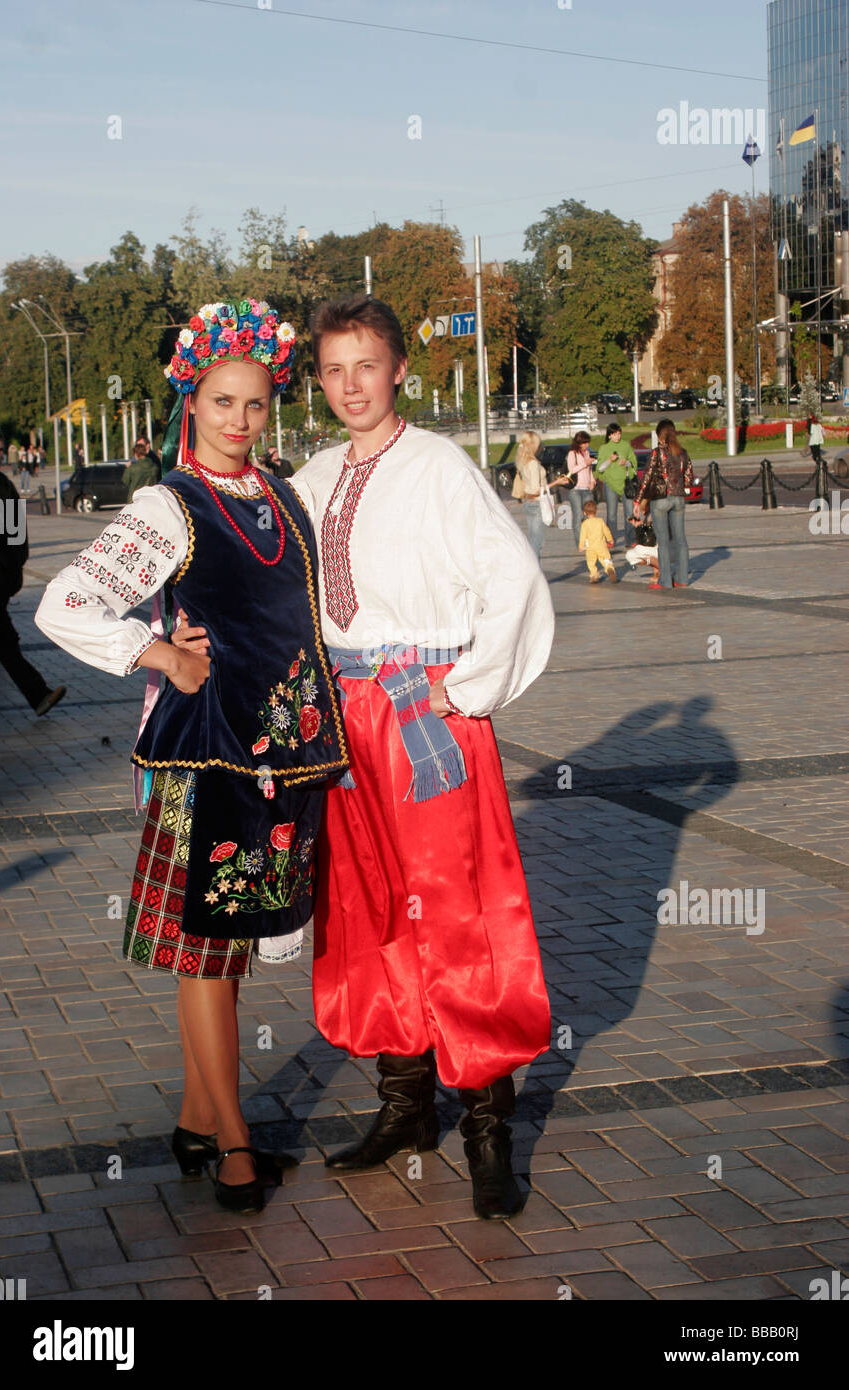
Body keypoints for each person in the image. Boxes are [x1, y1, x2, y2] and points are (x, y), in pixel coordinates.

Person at [35, 299, 349, 1214]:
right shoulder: (167, 507)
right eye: (222, 403)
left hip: (279, 754)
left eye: (255, 405)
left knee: (227, 946)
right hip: (204, 757)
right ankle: (238, 1143)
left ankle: (193, 1116)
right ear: (191, 401)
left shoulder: (283, 494)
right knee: (208, 951)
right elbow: (65, 604)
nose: (241, 422)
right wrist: (161, 653)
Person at [284, 295, 554, 1221]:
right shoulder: (313, 477)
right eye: (333, 369)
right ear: (317, 379)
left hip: (420, 718)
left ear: (398, 367)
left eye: (367, 364)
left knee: (459, 910)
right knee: (362, 904)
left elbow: (511, 576)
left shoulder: (438, 465)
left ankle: (487, 1125)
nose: (351, 385)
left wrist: (468, 683)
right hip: (341, 721)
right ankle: (405, 1102)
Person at [0, 427, 66, 717]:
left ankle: (39, 696)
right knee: (6, 642)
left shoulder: (3, 486)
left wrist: (15, 567)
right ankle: (39, 695)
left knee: (2, 641)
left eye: (0, 450)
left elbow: (16, 533)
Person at [634, 418, 693, 590]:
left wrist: (638, 500)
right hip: (679, 498)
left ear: (660, 436)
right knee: (681, 540)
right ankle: (682, 579)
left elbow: (647, 476)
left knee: (664, 541)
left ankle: (665, 581)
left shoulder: (657, 453)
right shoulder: (683, 453)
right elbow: (688, 478)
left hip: (661, 499)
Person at [510, 429, 567, 562]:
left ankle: (533, 572)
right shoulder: (533, 463)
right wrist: (557, 482)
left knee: (533, 540)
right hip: (537, 502)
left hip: (528, 502)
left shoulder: (523, 461)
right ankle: (535, 574)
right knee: (537, 543)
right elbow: (536, 489)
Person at [595, 423, 637, 545]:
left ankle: (631, 538)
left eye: (619, 434)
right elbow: (600, 468)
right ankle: (610, 539)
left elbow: (633, 462)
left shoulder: (625, 445)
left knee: (629, 511)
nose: (617, 437)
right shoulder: (604, 448)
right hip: (610, 483)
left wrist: (627, 462)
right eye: (614, 434)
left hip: (625, 482)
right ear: (609, 435)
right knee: (611, 513)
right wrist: (610, 460)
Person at [565, 429, 594, 547]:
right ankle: (580, 542)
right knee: (578, 515)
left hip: (587, 488)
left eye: (587, 443)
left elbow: (589, 469)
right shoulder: (572, 453)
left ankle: (589, 539)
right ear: (578, 443)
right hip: (576, 489)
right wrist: (585, 464)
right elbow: (572, 469)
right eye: (584, 443)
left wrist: (592, 480)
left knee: (589, 514)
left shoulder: (586, 453)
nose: (586, 445)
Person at [578, 499, 617, 584]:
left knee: (591, 563)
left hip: (590, 548)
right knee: (606, 559)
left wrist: (581, 546)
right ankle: (609, 568)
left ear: (584, 513)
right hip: (601, 546)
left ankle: (594, 575)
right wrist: (610, 539)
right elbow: (606, 531)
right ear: (596, 511)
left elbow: (582, 536)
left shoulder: (584, 524)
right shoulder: (600, 521)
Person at [624, 500, 660, 585]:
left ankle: (663, 570)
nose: (641, 511)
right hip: (651, 548)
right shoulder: (646, 515)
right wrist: (638, 525)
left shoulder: (654, 513)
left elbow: (652, 533)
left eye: (642, 508)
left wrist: (641, 525)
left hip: (660, 547)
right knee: (630, 555)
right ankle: (657, 568)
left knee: (640, 550)